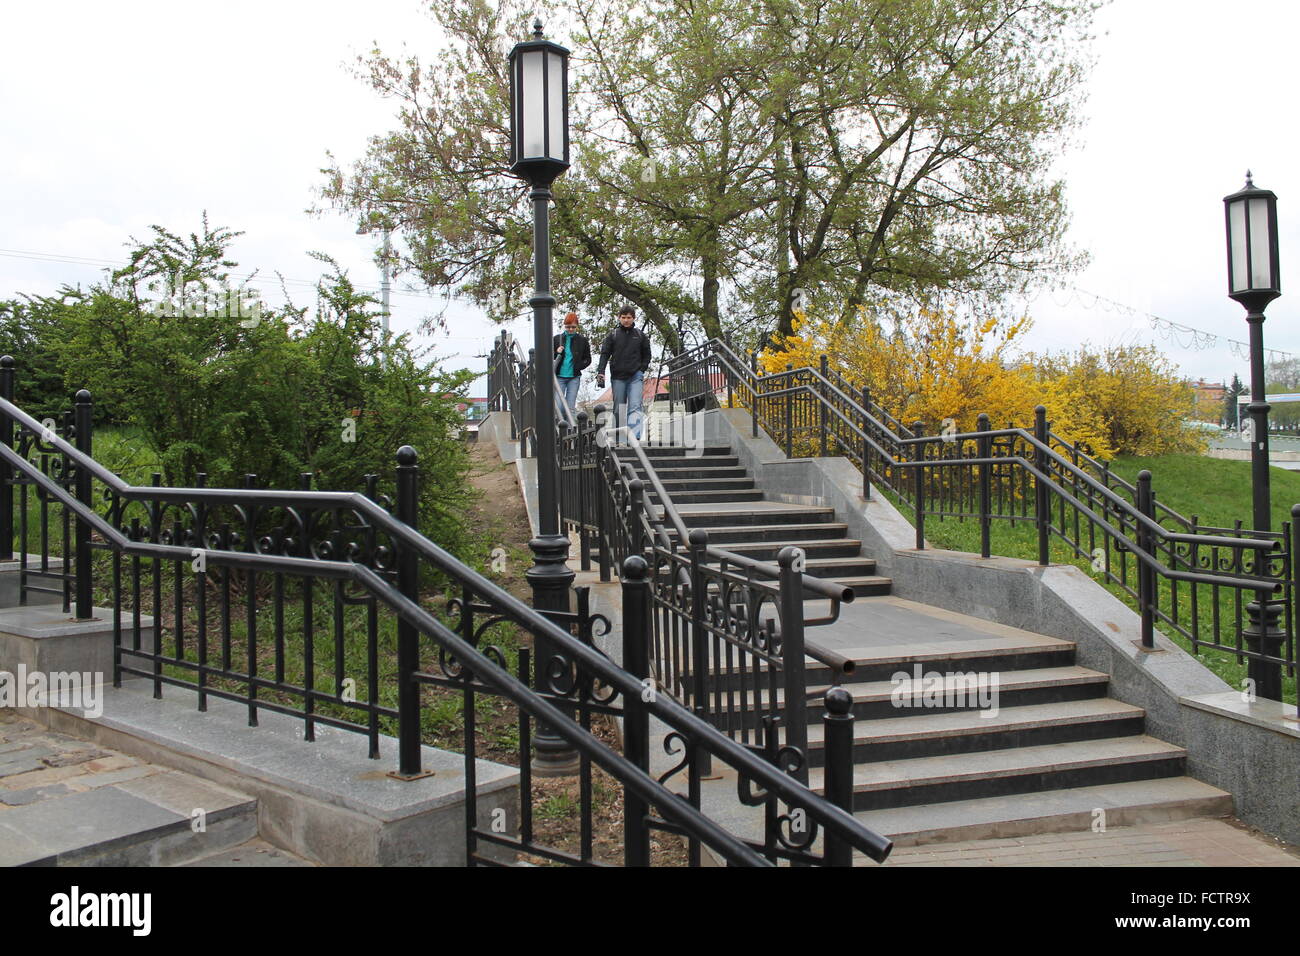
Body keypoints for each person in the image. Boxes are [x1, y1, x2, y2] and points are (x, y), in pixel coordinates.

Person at [596, 304, 652, 442]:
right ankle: (621, 438)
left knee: (635, 405)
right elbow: (604, 354)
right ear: (619, 318)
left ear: (633, 318)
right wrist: (601, 372)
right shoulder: (613, 335)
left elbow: (647, 355)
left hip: (635, 376)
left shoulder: (640, 335)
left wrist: (641, 369)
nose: (626, 320)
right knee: (619, 408)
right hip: (618, 377)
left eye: (629, 317)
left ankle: (635, 437)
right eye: (623, 317)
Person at [553, 311, 591, 414]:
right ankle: (559, 427)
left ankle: (570, 429)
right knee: (559, 406)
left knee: (570, 407)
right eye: (568, 327)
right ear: (565, 326)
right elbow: (549, 357)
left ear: (577, 326)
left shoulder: (582, 340)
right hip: (559, 376)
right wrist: (557, 352)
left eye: (573, 327)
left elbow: (588, 359)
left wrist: (578, 366)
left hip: (574, 377)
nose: (570, 329)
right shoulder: (557, 339)